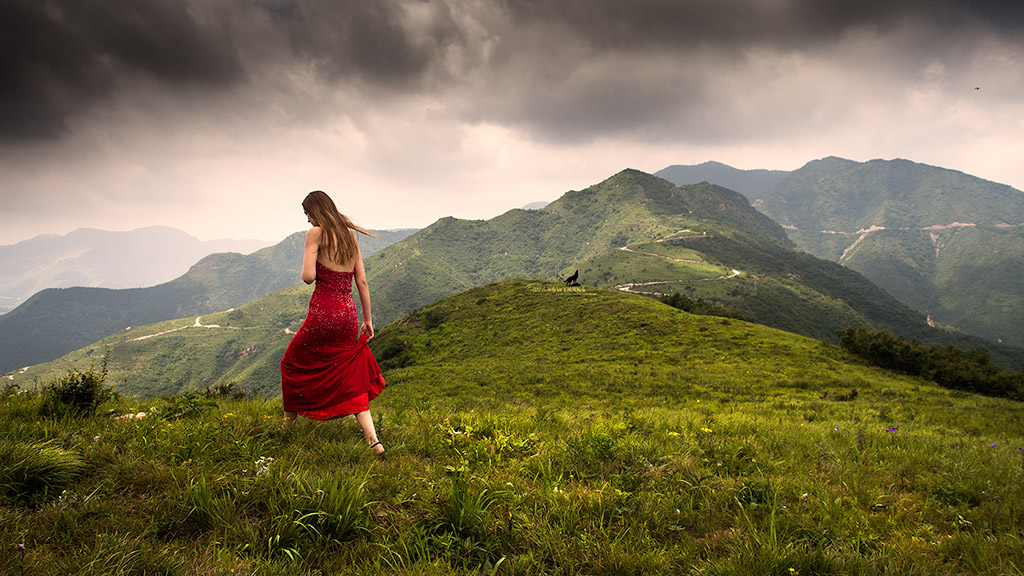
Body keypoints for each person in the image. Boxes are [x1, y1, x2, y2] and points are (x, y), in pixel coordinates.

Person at [280, 190, 386, 455]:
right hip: (348, 316)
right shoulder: (350, 237)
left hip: (323, 315)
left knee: (291, 363)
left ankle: (287, 427)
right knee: (349, 374)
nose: (307, 221)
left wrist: (313, 257)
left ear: (315, 211)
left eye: (307, 214)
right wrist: (368, 320)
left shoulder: (315, 233)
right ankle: (373, 440)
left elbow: (307, 277)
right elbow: (361, 281)